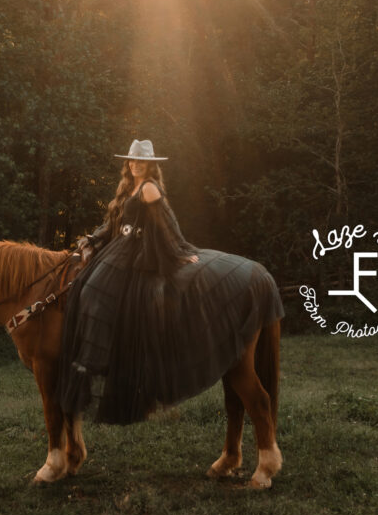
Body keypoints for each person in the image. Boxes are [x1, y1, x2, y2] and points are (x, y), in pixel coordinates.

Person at [58, 139, 284, 425]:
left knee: (95, 291)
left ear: (150, 164)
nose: (134, 164)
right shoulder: (129, 187)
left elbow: (166, 222)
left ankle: (96, 359)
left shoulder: (150, 187)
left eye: (140, 161)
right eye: (131, 160)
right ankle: (93, 355)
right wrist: (94, 238)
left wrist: (178, 250)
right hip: (119, 247)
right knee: (89, 287)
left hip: (137, 252)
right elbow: (113, 222)